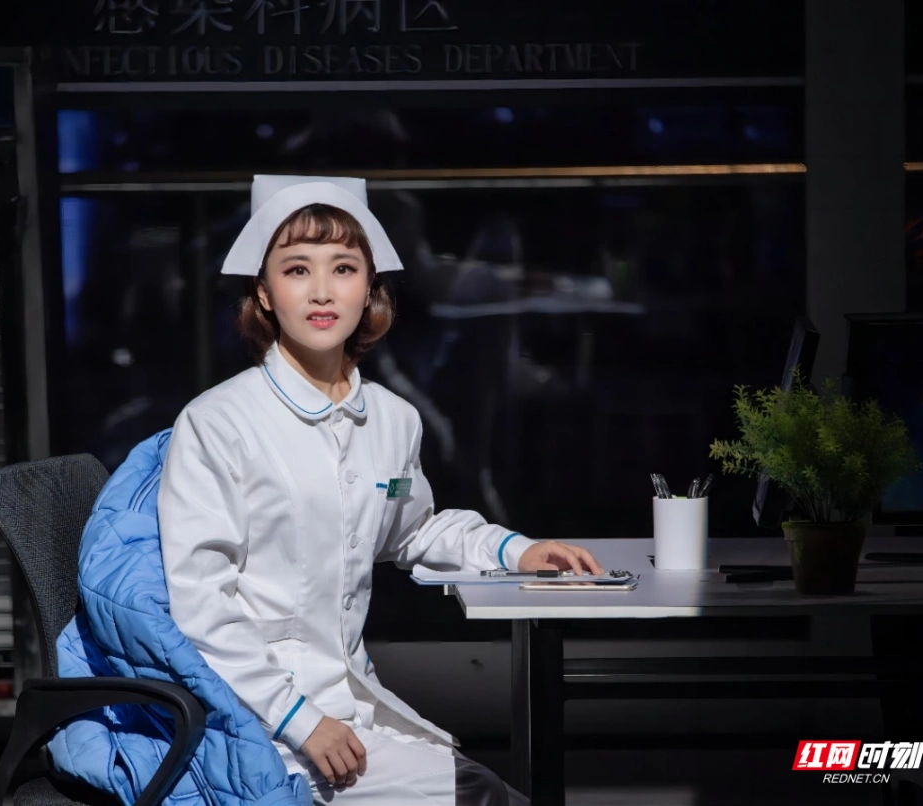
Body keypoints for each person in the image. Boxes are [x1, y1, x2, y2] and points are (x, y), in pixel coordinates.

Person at [158, 175, 606, 805]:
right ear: (263, 292)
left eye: (343, 268)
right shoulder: (217, 422)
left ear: (369, 287)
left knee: (487, 792)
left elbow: (412, 529)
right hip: (254, 722)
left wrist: (514, 550)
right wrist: (297, 718)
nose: (321, 290)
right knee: (485, 796)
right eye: (296, 269)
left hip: (348, 713)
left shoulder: (393, 419)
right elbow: (200, 607)